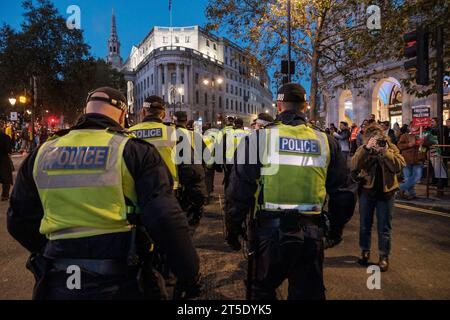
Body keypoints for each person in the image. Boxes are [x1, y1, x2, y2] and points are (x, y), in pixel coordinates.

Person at [7, 87, 200, 300]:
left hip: (58, 276)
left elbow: (18, 219)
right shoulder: (132, 150)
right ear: (122, 115)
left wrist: (49, 248)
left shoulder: (43, 152)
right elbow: (165, 219)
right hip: (119, 277)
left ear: (84, 111)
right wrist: (188, 274)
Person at [225, 83, 353, 300]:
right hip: (311, 235)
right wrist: (336, 229)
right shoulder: (325, 141)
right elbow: (344, 193)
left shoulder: (259, 139)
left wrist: (233, 227)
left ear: (279, 106)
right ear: (306, 106)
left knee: (262, 291)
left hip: (269, 235)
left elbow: (239, 189)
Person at [352, 124, 405, 272]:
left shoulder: (390, 147)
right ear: (367, 138)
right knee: (364, 225)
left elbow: (400, 165)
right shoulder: (364, 148)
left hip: (386, 194)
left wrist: (385, 152)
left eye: (378, 137)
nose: (376, 141)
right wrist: (367, 149)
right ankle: (365, 251)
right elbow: (354, 164)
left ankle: (383, 256)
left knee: (384, 227)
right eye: (372, 138)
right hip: (367, 193)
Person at [173, 111, 207, 227]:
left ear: (174, 120)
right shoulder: (194, 135)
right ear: (186, 121)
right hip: (192, 176)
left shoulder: (170, 134)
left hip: (173, 178)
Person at [397, 125, 430, 200]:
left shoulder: (423, 135)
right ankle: (412, 194)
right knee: (408, 178)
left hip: (418, 159)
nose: (415, 128)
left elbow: (431, 143)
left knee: (417, 177)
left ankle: (400, 188)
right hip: (406, 159)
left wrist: (424, 142)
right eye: (413, 126)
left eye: (416, 126)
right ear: (409, 128)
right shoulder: (404, 135)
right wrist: (408, 144)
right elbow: (399, 145)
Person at [0, 123, 13, 201]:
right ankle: (4, 195)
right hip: (3, 160)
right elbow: (9, 150)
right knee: (6, 178)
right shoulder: (5, 137)